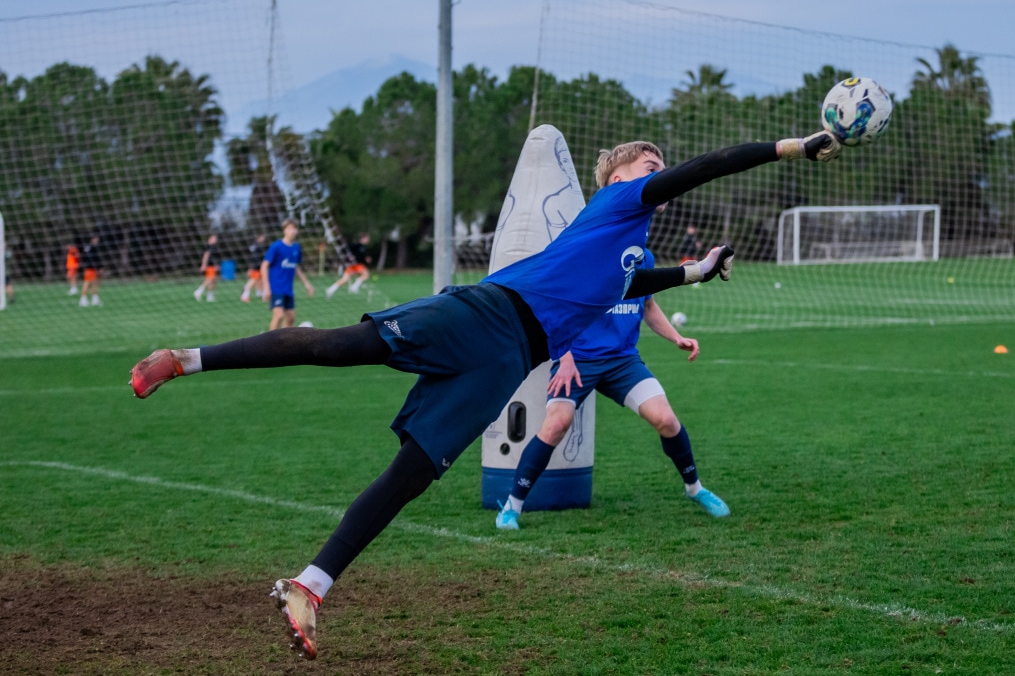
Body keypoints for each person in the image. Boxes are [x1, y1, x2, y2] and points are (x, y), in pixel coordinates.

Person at [130, 130, 840, 660]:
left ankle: (309, 585)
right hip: (487, 313)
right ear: (618, 177)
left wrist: (695, 271)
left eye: (655, 164)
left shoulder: (625, 248)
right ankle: (183, 358)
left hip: (508, 359)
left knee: (414, 471)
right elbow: (705, 167)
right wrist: (791, 147)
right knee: (338, 344)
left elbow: (633, 283)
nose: (655, 170)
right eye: (644, 163)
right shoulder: (621, 199)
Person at [495, 249, 728, 531]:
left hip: (622, 360)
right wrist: (564, 356)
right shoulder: (588, 253)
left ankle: (695, 489)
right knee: (556, 424)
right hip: (578, 360)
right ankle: (511, 508)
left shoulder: (645, 258)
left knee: (665, 419)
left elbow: (648, 304)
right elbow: (554, 307)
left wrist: (675, 336)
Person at [261, 218, 315, 330]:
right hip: (276, 287)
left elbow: (296, 268)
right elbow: (264, 266)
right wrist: (266, 287)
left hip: (288, 289)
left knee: (290, 318)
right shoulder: (276, 246)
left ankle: (283, 344)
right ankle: (269, 343)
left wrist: (307, 284)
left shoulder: (296, 248)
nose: (293, 231)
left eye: (295, 228)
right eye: (290, 228)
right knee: (279, 315)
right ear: (284, 230)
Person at [325, 233, 372, 297]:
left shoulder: (362, 247)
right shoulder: (357, 245)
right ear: (363, 239)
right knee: (365, 274)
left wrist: (365, 259)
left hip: (355, 265)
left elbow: (360, 256)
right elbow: (349, 251)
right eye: (367, 239)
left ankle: (331, 289)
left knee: (345, 279)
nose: (368, 240)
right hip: (354, 265)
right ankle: (354, 287)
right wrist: (350, 257)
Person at [240, 233, 268, 303]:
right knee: (253, 280)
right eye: (262, 237)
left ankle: (261, 294)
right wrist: (252, 267)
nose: (263, 239)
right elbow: (256, 257)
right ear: (259, 238)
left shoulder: (254, 246)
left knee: (260, 280)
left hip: (256, 266)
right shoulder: (259, 246)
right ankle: (245, 293)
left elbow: (252, 257)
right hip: (257, 266)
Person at [194, 234, 220, 302]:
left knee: (213, 281)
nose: (215, 240)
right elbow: (206, 255)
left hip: (213, 266)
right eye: (214, 238)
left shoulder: (213, 246)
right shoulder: (209, 246)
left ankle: (209, 296)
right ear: (210, 239)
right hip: (209, 266)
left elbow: (214, 257)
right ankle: (198, 291)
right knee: (209, 279)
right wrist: (203, 265)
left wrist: (216, 265)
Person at [79, 235, 103, 307]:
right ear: (92, 239)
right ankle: (83, 300)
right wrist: (99, 267)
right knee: (87, 283)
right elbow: (93, 258)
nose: (97, 240)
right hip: (90, 268)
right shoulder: (91, 247)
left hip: (90, 268)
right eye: (96, 239)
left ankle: (94, 299)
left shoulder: (88, 247)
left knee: (94, 283)